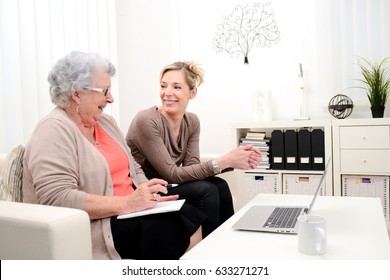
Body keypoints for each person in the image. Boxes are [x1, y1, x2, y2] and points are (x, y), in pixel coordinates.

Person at [22, 52, 206, 260]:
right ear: (77, 93)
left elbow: (133, 167)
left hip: (131, 210)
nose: (110, 98)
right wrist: (129, 203)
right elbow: (57, 198)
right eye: (105, 91)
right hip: (101, 223)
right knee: (172, 228)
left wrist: (148, 193)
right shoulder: (53, 129)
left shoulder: (105, 122)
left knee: (191, 214)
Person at [126, 61, 261, 237]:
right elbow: (171, 174)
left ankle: (228, 242)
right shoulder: (146, 120)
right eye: (163, 86)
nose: (167, 93)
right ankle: (207, 251)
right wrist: (224, 161)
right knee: (206, 190)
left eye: (176, 87)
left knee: (220, 185)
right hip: (147, 190)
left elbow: (192, 165)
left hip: (167, 185)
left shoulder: (192, 121)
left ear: (192, 92)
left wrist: (234, 161)